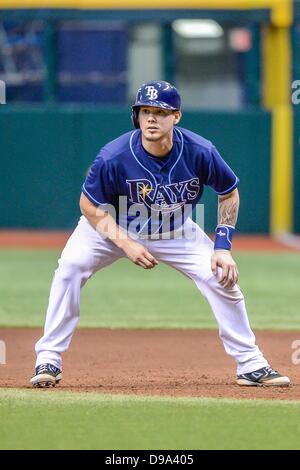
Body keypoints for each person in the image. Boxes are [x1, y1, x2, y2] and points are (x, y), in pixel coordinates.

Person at [30, 80, 290, 388]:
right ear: (136, 116)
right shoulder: (114, 156)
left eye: (160, 112)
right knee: (70, 268)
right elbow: (87, 205)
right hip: (111, 227)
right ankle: (48, 358)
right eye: (145, 111)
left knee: (220, 276)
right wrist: (125, 243)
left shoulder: (200, 151)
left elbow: (229, 192)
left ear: (176, 117)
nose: (151, 118)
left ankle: (251, 364)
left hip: (174, 229)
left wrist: (222, 247)